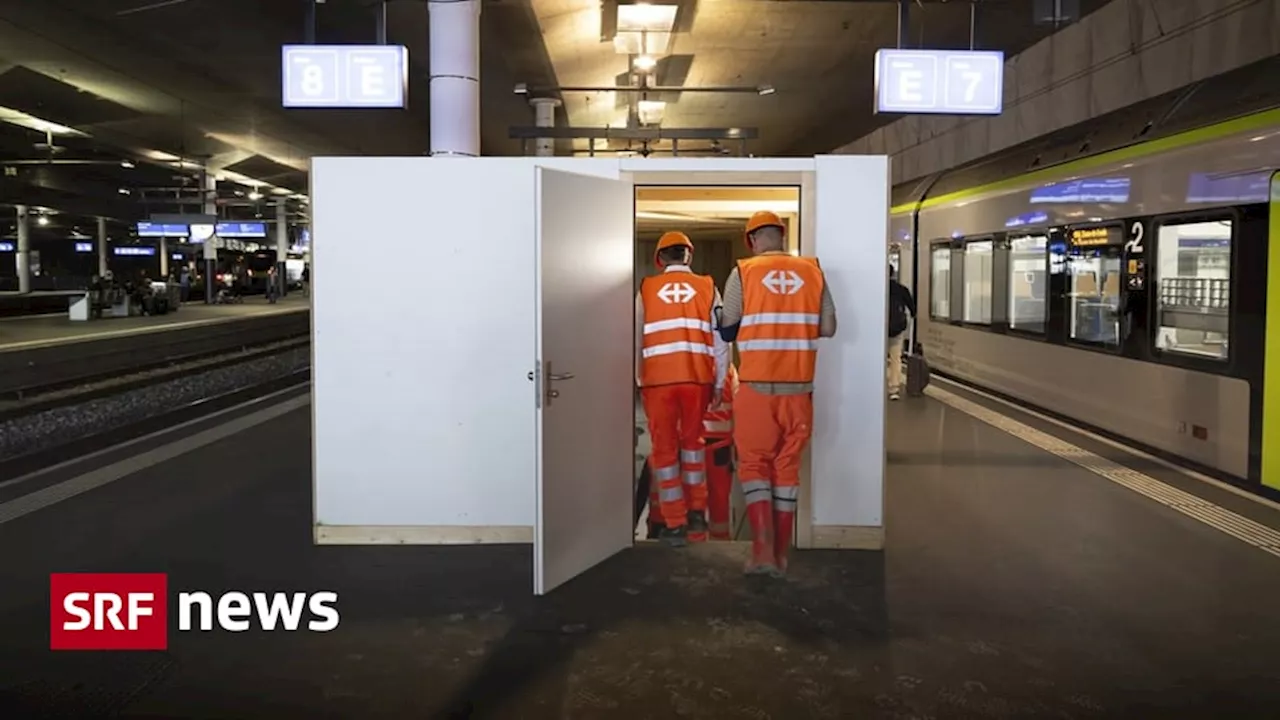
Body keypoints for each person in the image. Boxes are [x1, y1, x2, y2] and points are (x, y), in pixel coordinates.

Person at [718, 210, 837, 576]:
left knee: (754, 466)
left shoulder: (743, 272)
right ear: (781, 236)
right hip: (800, 390)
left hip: (756, 389)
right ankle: (782, 557)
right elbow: (829, 327)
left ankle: (762, 553)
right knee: (787, 468)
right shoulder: (813, 270)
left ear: (751, 240)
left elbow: (728, 329)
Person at [636, 231, 730, 547]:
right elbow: (720, 340)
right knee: (693, 445)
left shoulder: (646, 290)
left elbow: (635, 337)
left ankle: (675, 523)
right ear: (689, 256)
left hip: (658, 383)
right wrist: (719, 382)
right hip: (697, 380)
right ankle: (696, 513)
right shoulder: (707, 286)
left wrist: (638, 379)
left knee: (663, 450)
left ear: (659, 259)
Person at [646, 363, 739, 541]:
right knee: (718, 506)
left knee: (687, 501)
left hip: (688, 445)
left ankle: (691, 541)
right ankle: (720, 544)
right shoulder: (726, 368)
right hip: (719, 448)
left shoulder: (681, 367)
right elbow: (738, 406)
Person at [887, 266, 916, 401]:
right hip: (897, 330)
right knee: (895, 359)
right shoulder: (901, 289)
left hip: (880, 330)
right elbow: (913, 310)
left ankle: (876, 386)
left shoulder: (877, 289)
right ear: (893, 274)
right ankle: (893, 389)